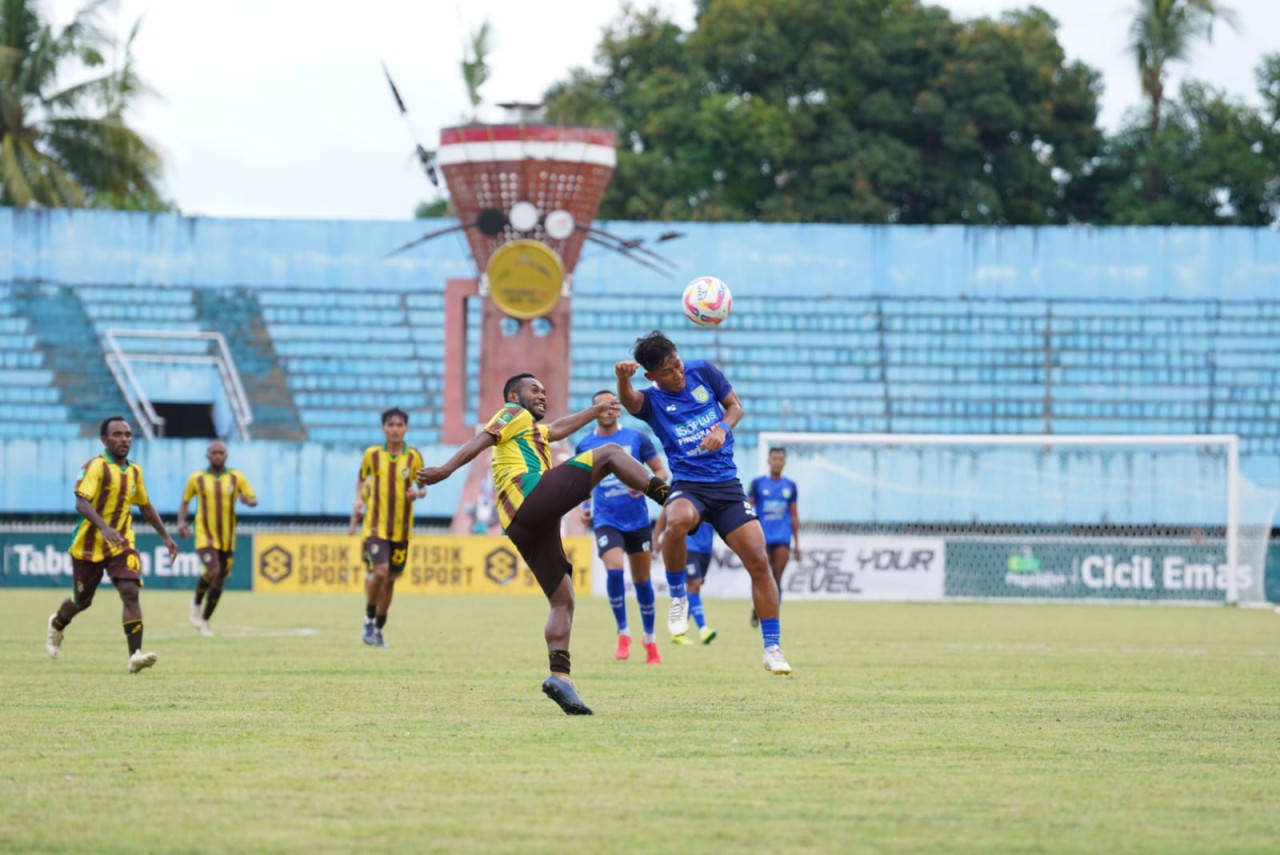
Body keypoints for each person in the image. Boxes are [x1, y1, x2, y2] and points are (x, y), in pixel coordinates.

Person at [416, 373, 670, 715]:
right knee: (609, 451)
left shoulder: (529, 429)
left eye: (545, 391)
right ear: (513, 396)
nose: (542, 395)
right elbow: (483, 438)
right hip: (529, 495)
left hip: (522, 523)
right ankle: (671, 497)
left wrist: (594, 411)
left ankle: (560, 677)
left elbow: (557, 429)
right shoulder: (510, 413)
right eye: (534, 390)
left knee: (562, 597)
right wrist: (446, 469)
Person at [615, 330, 791, 674]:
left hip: (726, 487)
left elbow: (735, 407)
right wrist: (623, 380)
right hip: (690, 486)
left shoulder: (703, 372)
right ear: (651, 376)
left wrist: (723, 428)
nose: (677, 374)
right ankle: (678, 597)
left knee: (758, 560)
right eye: (667, 371)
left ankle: (772, 647)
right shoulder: (651, 401)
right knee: (677, 521)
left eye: (677, 364)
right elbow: (630, 401)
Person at [45, 416, 179, 673]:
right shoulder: (95, 467)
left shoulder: (135, 471)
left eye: (128, 435)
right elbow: (81, 502)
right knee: (82, 601)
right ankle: (58, 623)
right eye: (117, 435)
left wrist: (165, 536)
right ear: (104, 440)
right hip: (89, 543)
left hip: (122, 542)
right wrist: (104, 528)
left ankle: (135, 655)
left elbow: (144, 505)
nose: (124, 439)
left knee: (130, 591)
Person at [575, 389, 670, 664]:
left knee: (642, 582)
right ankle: (623, 633)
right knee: (614, 572)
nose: (606, 410)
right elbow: (582, 482)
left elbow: (661, 471)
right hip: (606, 519)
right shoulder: (584, 445)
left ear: (618, 409)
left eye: (611, 405)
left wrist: (645, 483)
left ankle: (650, 640)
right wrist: (584, 508)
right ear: (594, 411)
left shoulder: (636, 438)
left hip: (638, 521)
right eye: (600, 406)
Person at [349, 407, 425, 649]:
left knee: (391, 579)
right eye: (390, 425)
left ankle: (378, 627)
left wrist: (417, 493)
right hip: (374, 527)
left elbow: (423, 487)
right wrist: (358, 500)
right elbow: (361, 479)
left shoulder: (413, 457)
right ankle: (368, 620)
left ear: (406, 428)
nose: (395, 429)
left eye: (399, 425)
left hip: (401, 531)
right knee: (380, 571)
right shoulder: (372, 455)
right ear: (383, 428)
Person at [177, 439, 258, 636]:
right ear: (207, 456)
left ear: (226, 456)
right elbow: (185, 501)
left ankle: (205, 621)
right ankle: (195, 603)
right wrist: (181, 522)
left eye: (221, 452)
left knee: (220, 579)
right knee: (213, 570)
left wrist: (248, 501)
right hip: (205, 535)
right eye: (214, 453)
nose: (218, 456)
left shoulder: (236, 478)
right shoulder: (196, 479)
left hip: (228, 538)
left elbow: (254, 499)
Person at [747, 446, 800, 627]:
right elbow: (747, 505)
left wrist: (797, 543)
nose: (777, 462)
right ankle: (757, 608)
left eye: (780, 459)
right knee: (763, 575)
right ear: (769, 461)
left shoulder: (790, 486)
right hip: (762, 537)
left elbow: (793, 515)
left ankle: (773, 615)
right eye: (774, 458)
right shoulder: (758, 484)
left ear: (784, 462)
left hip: (783, 538)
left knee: (777, 576)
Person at [656, 515, 717, 646]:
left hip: (706, 548)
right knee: (694, 583)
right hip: (689, 546)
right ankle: (703, 629)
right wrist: (656, 537)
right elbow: (666, 512)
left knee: (694, 587)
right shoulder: (686, 495)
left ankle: (678, 633)